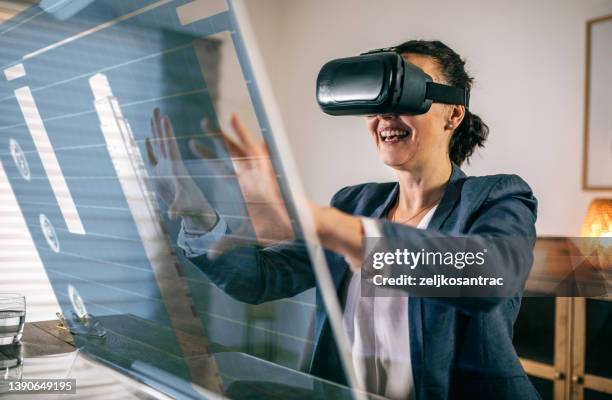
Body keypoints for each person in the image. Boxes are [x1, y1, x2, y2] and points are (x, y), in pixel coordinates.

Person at [145, 40, 539, 400]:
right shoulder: (354, 202)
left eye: (407, 94)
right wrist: (197, 213)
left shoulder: (496, 195)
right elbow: (261, 279)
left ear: (453, 114)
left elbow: (491, 277)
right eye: (377, 99)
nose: (385, 114)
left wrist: (320, 223)